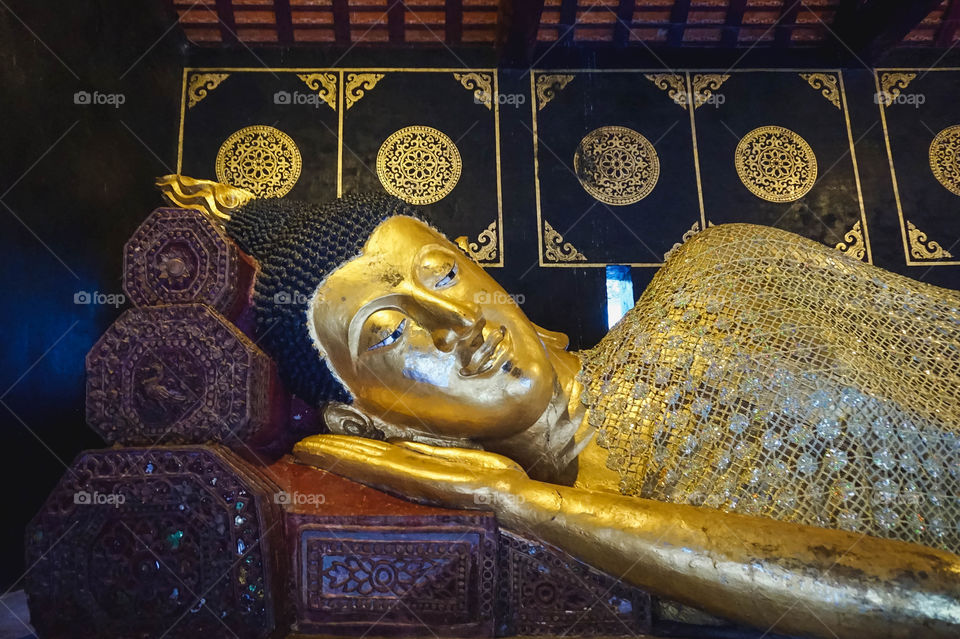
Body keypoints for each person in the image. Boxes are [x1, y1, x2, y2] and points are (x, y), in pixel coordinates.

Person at [160, 175, 960, 639]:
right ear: (376, 425)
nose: (461, 326)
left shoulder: (715, 284)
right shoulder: (583, 548)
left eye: (443, 275)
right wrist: (515, 502)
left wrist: (519, 501)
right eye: (393, 332)